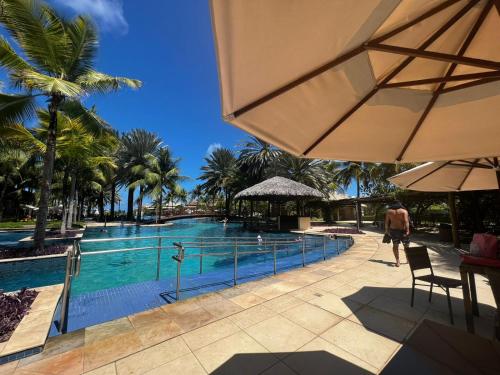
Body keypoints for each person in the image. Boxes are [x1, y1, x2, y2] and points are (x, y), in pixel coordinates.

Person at [385, 201, 410, 267]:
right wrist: (407, 230)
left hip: (393, 231)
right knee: (406, 246)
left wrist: (386, 231)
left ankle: (397, 261)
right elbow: (406, 221)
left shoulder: (389, 211)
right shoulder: (404, 211)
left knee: (395, 245)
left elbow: (387, 222)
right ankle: (408, 259)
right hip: (403, 231)